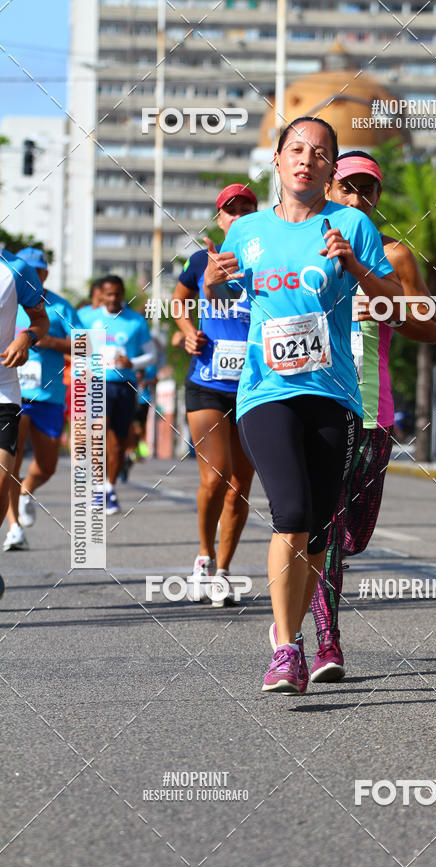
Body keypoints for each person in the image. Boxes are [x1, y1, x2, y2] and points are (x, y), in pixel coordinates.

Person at [204, 117, 406, 693]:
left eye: (320, 153)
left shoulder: (352, 224)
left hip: (336, 393)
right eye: (297, 149)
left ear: (330, 168)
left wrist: (357, 266)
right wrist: (214, 282)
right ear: (277, 159)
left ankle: (285, 627)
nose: (306, 159)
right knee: (290, 512)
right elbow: (220, 291)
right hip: (265, 390)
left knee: (317, 527)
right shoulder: (246, 231)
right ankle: (288, 648)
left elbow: (396, 300)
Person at [307, 151, 436, 681]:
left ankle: (311, 615)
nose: (357, 198)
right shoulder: (296, 248)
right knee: (324, 526)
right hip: (316, 398)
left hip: (372, 407)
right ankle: (325, 642)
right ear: (327, 188)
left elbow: (430, 330)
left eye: (368, 189)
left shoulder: (395, 256)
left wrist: (384, 305)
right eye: (347, 187)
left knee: (353, 535)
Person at [172, 184, 257, 606]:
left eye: (247, 208)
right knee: (216, 475)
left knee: (240, 485)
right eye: (231, 209)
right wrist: (189, 332)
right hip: (208, 383)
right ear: (219, 218)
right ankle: (203, 556)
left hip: (256, 387)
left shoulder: (269, 262)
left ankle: (223, 570)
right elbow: (179, 298)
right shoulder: (203, 259)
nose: (238, 215)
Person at [3, 248, 81, 550]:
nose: (33, 273)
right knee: (10, 462)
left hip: (48, 395)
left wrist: (49, 341)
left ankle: (25, 493)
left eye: (39, 269)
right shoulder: (7, 293)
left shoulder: (59, 306)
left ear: (45, 273)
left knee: (47, 465)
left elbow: (85, 344)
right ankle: (14, 527)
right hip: (13, 391)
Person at [78, 275, 156, 515]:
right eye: (108, 294)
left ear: (123, 294)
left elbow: (151, 354)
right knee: (98, 434)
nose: (112, 299)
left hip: (125, 387)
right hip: (97, 384)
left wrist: (131, 361)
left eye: (117, 294)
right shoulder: (86, 317)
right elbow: (76, 348)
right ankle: (99, 487)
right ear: (101, 294)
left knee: (119, 442)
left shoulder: (135, 322)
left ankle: (109, 488)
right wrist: (84, 368)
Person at [0, 248, 49, 584]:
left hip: (3, 391)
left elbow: (40, 320)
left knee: (2, 482)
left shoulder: (16, 269)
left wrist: (26, 338)